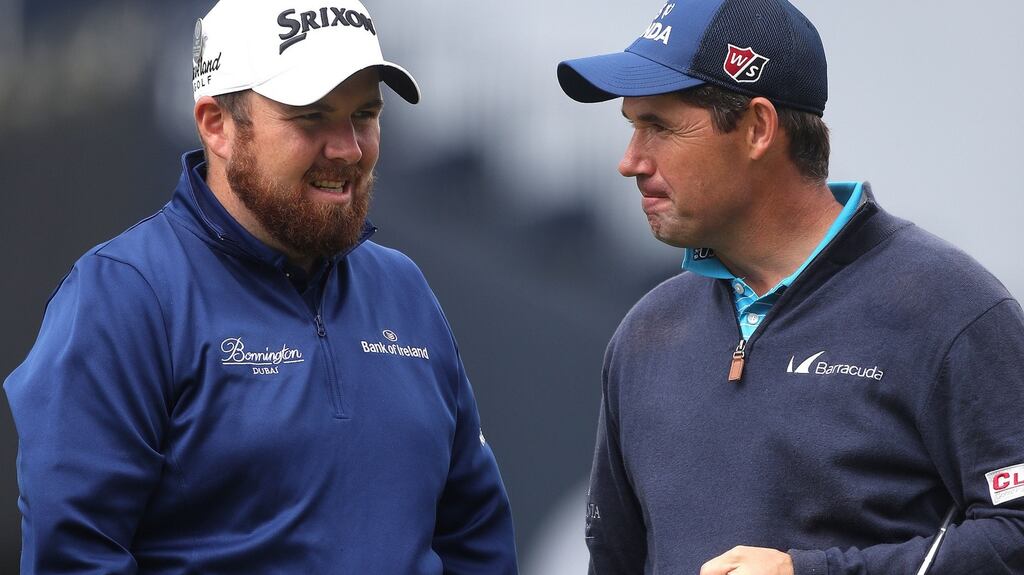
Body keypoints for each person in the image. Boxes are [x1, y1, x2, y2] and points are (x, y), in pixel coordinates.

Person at [3, 1, 518, 573]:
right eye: (311, 117)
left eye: (365, 115)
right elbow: (75, 557)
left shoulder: (404, 289)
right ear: (216, 125)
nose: (348, 147)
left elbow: (475, 537)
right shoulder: (123, 297)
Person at [556, 0, 1024, 573]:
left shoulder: (950, 310)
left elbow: (1016, 534)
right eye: (632, 127)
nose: (630, 161)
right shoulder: (646, 334)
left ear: (757, 128)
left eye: (659, 127)